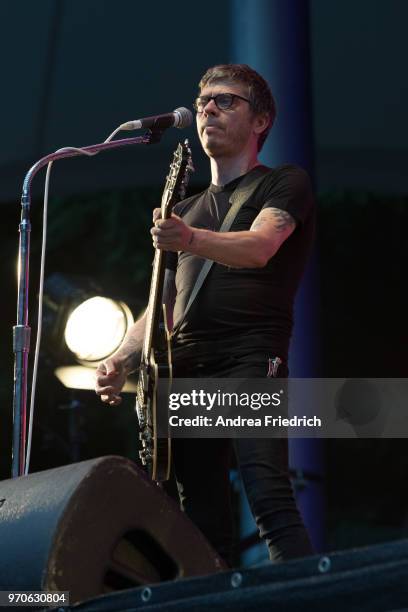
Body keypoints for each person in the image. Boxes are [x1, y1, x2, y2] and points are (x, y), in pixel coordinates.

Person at [95, 64, 314, 566]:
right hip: (184, 367)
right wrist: (123, 356)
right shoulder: (186, 210)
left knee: (269, 502)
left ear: (260, 121)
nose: (208, 109)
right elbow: (162, 301)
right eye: (203, 103)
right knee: (198, 526)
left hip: (247, 358)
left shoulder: (283, 183)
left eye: (226, 100)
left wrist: (191, 240)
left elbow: (261, 247)